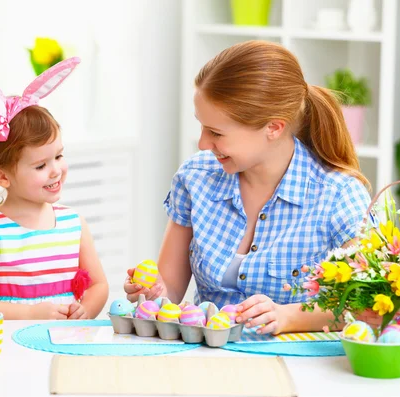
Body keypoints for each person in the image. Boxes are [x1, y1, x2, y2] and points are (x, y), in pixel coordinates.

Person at [124, 41, 371, 335]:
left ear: (273, 128)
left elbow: (361, 303)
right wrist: (153, 292)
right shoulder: (195, 178)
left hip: (294, 364)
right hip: (207, 359)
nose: (203, 144)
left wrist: (289, 317)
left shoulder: (339, 195)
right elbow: (171, 290)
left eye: (216, 132)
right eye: (202, 127)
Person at [0, 57, 108, 320]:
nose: (55, 170)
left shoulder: (73, 224)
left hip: (64, 347)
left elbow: (98, 286)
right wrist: (29, 313)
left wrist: (85, 309)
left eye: (59, 156)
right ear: (2, 176)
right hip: (11, 351)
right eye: (40, 165)